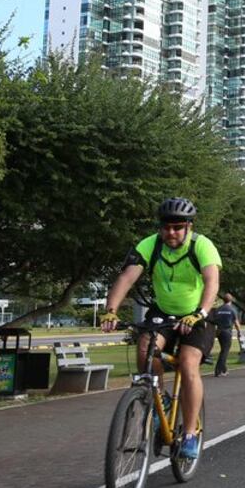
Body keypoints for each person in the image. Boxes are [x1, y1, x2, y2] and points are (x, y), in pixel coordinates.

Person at [101, 197, 221, 460]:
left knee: (188, 363)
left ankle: (189, 434)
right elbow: (126, 278)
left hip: (197, 314)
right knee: (146, 349)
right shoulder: (150, 245)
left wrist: (200, 313)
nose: (171, 233)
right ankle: (159, 397)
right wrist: (111, 310)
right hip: (163, 313)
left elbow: (212, 281)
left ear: (189, 226)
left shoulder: (202, 245)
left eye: (178, 227)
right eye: (166, 227)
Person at [211, 293, 241, 377]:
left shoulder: (218, 309)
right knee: (225, 351)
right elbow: (236, 323)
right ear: (231, 300)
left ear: (223, 300)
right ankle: (218, 371)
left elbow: (213, 321)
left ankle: (224, 369)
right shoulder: (232, 310)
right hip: (227, 332)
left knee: (223, 350)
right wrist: (239, 331)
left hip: (219, 331)